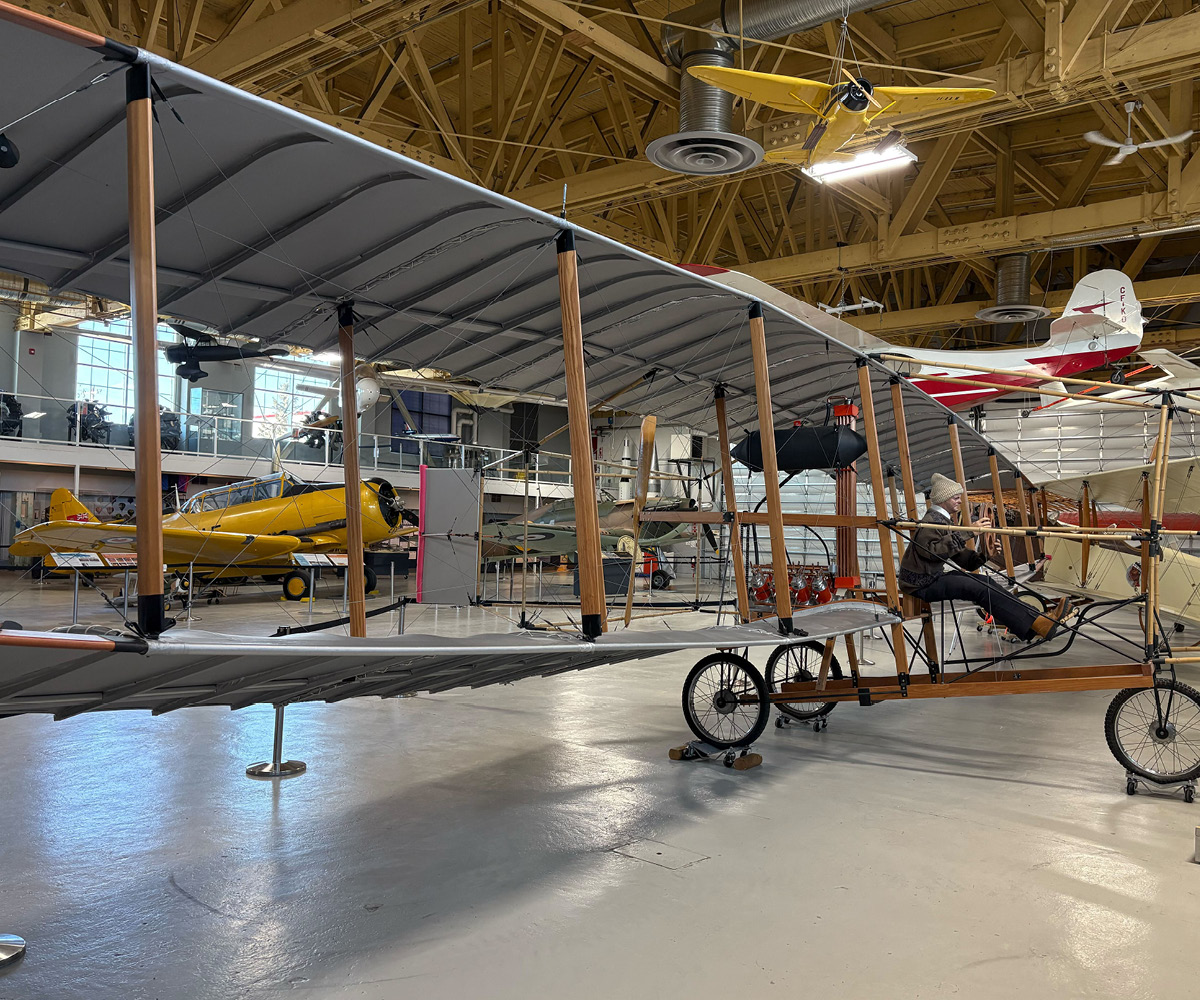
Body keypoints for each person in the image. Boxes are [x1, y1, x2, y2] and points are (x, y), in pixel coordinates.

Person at [898, 473, 1060, 642]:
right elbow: (930, 552)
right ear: (943, 499)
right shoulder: (932, 520)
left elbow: (964, 561)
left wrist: (985, 554)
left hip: (931, 579)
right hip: (920, 584)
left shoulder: (944, 522)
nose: (960, 501)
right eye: (955, 498)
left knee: (986, 582)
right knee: (980, 589)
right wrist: (968, 532)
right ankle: (1035, 623)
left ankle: (1036, 622)